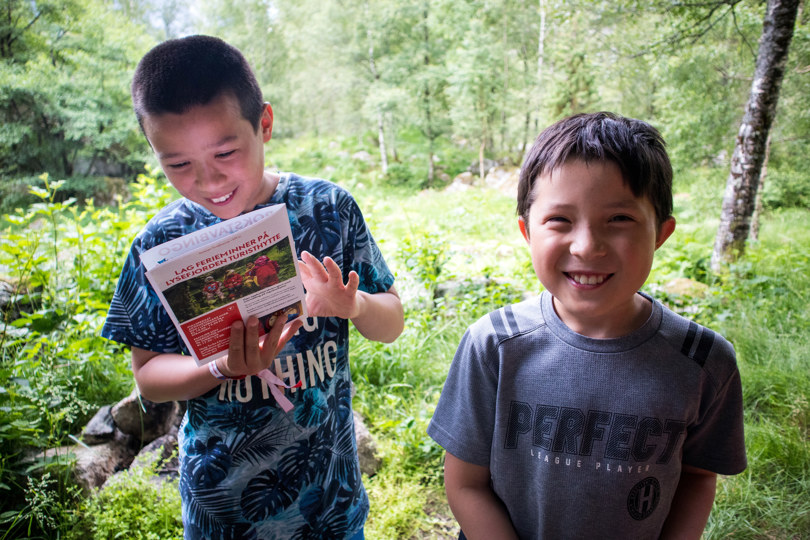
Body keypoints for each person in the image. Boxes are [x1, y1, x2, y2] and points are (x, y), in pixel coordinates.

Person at [101, 35, 404, 539]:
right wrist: (220, 366)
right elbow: (150, 376)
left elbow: (391, 323)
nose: (208, 179)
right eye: (178, 164)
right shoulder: (160, 243)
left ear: (264, 123)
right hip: (224, 506)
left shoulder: (327, 209)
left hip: (330, 497)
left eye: (225, 151)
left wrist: (354, 303)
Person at [427, 112, 746, 539]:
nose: (587, 246)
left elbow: (698, 477)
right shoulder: (495, 345)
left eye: (619, 220)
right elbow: (466, 484)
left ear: (661, 233)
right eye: (559, 220)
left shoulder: (704, 363)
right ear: (527, 231)